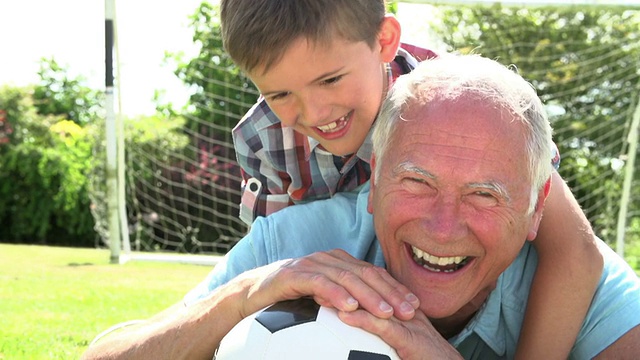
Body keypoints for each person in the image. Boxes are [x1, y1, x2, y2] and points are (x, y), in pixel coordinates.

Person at [81, 54, 640, 360]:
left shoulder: (589, 291)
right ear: (372, 182)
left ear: (538, 206)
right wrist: (246, 294)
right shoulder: (295, 249)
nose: (443, 227)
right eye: (416, 181)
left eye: (485, 195)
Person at [223, 0, 601, 357]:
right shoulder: (262, 138)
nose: (315, 112)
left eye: (331, 79)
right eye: (280, 93)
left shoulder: (456, 101)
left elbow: (575, 250)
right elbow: (274, 270)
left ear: (385, 40)